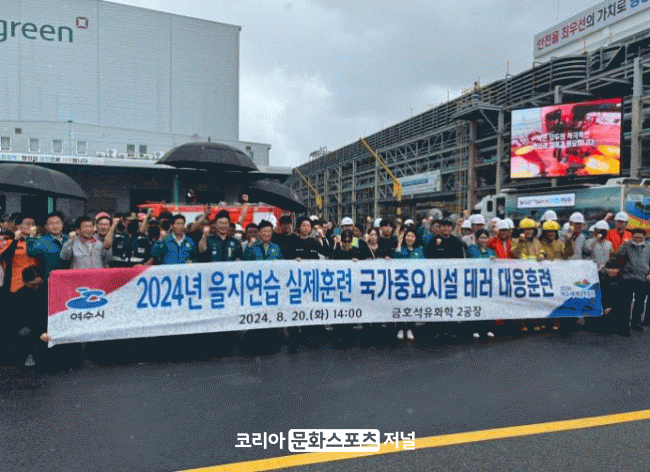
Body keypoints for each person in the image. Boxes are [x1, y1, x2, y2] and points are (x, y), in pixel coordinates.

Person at [393, 227, 425, 341]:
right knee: (401, 305)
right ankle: (401, 328)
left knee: (412, 305)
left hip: (415, 283)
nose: (409, 238)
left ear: (415, 238)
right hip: (402, 282)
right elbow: (396, 259)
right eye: (408, 236)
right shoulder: (401, 248)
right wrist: (399, 244)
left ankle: (410, 328)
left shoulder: (419, 249)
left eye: (412, 236)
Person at [616, 227, 650, 332]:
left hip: (643, 278)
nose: (638, 239)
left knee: (639, 303)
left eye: (640, 238)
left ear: (644, 238)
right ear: (632, 237)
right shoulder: (627, 245)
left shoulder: (648, 247)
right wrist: (625, 244)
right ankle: (624, 326)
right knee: (625, 303)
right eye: (635, 237)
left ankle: (636, 323)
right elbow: (618, 256)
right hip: (628, 277)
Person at [26, 211, 69, 280]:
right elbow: (31, 253)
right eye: (51, 223)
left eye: (58, 223)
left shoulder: (69, 238)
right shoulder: (40, 240)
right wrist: (31, 237)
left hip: (69, 277)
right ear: (46, 226)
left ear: (62, 224)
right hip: (49, 279)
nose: (55, 226)